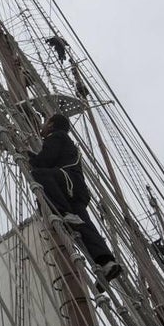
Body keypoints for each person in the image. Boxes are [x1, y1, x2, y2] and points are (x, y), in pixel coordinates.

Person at [26, 113, 121, 280]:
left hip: (66, 183)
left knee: (38, 174)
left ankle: (63, 212)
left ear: (51, 125)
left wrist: (28, 156)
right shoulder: (66, 140)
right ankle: (106, 262)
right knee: (84, 225)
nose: (42, 125)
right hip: (77, 189)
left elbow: (45, 161)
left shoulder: (56, 136)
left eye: (45, 121)